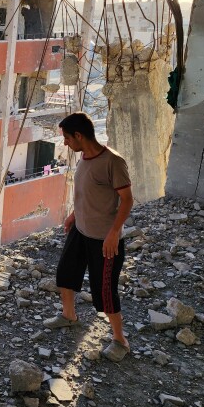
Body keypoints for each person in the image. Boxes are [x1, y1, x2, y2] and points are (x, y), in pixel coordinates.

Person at [43, 112, 134, 362]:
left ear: (79, 136)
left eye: (66, 138)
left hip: (104, 240)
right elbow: (87, 192)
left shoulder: (113, 162)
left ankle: (120, 340)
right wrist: (74, 215)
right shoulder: (83, 157)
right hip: (80, 230)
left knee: (104, 291)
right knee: (65, 273)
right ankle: (69, 316)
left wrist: (114, 233)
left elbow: (127, 200)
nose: (65, 143)